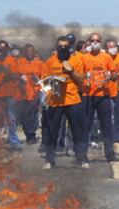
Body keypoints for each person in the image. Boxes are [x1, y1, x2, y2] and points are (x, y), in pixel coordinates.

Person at [42, 36, 87, 169]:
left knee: (77, 131)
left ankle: (81, 159)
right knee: (52, 131)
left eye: (65, 46)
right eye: (60, 46)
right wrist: (50, 87)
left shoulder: (76, 59)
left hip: (72, 99)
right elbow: (43, 82)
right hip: (55, 101)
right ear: (56, 47)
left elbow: (81, 79)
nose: (62, 49)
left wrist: (71, 71)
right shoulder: (50, 62)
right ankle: (49, 160)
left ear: (69, 47)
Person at [82, 33, 117, 162]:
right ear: (89, 42)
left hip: (103, 96)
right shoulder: (84, 58)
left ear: (100, 42)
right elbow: (79, 75)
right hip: (88, 95)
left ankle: (109, 154)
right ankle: (82, 155)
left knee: (106, 126)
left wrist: (109, 77)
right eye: (93, 41)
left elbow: (114, 74)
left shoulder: (106, 57)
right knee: (86, 126)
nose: (95, 43)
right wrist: (84, 77)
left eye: (97, 41)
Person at [0, 40, 22, 151]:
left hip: (9, 93)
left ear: (8, 49)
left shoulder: (12, 60)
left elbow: (18, 74)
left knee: (11, 118)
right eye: (0, 48)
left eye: (4, 48)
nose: (2, 50)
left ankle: (13, 141)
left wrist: (6, 75)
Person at [16, 44, 43, 144]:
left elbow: (42, 77)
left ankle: (32, 134)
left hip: (34, 93)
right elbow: (14, 74)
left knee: (33, 114)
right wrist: (19, 78)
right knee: (24, 115)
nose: (30, 52)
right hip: (22, 93)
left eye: (31, 50)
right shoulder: (19, 62)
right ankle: (28, 134)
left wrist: (38, 81)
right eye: (28, 51)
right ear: (25, 52)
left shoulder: (39, 63)